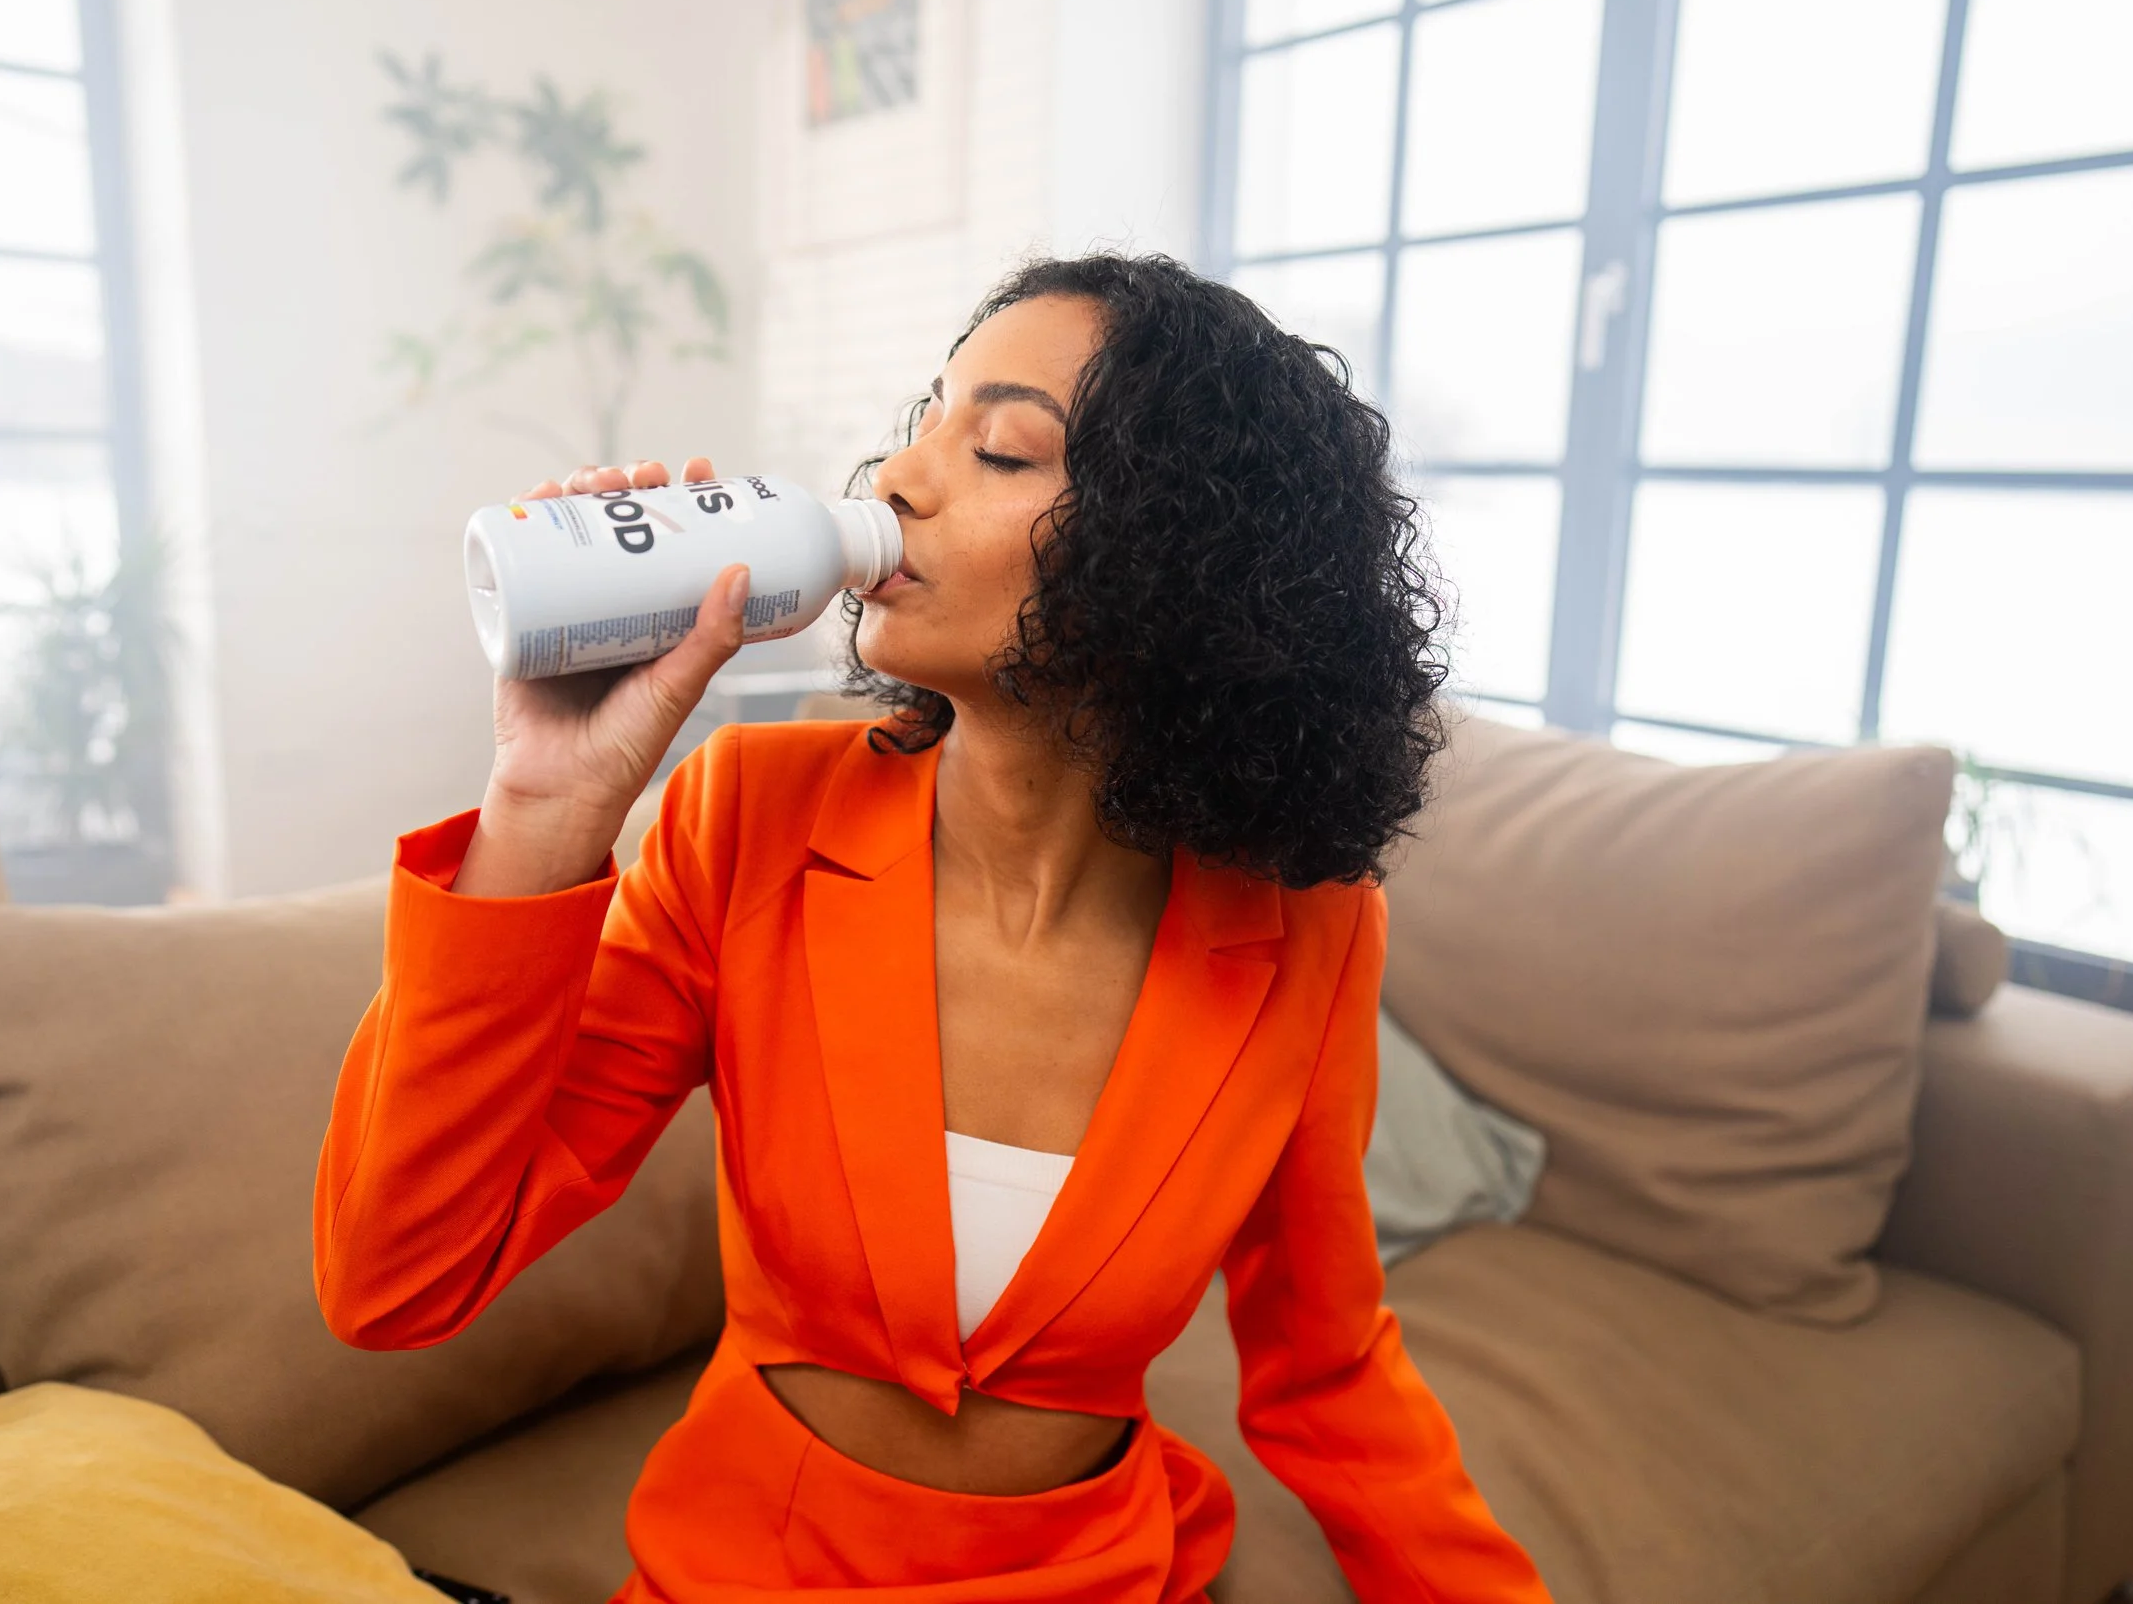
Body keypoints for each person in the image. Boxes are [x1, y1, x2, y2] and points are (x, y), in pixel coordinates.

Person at [313, 254, 1550, 1602]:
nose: (898, 479)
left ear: (1183, 557)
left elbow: (1330, 1373)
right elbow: (395, 1279)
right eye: (922, 422)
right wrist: (543, 807)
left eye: (1001, 449)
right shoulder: (747, 821)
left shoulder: (1308, 930)